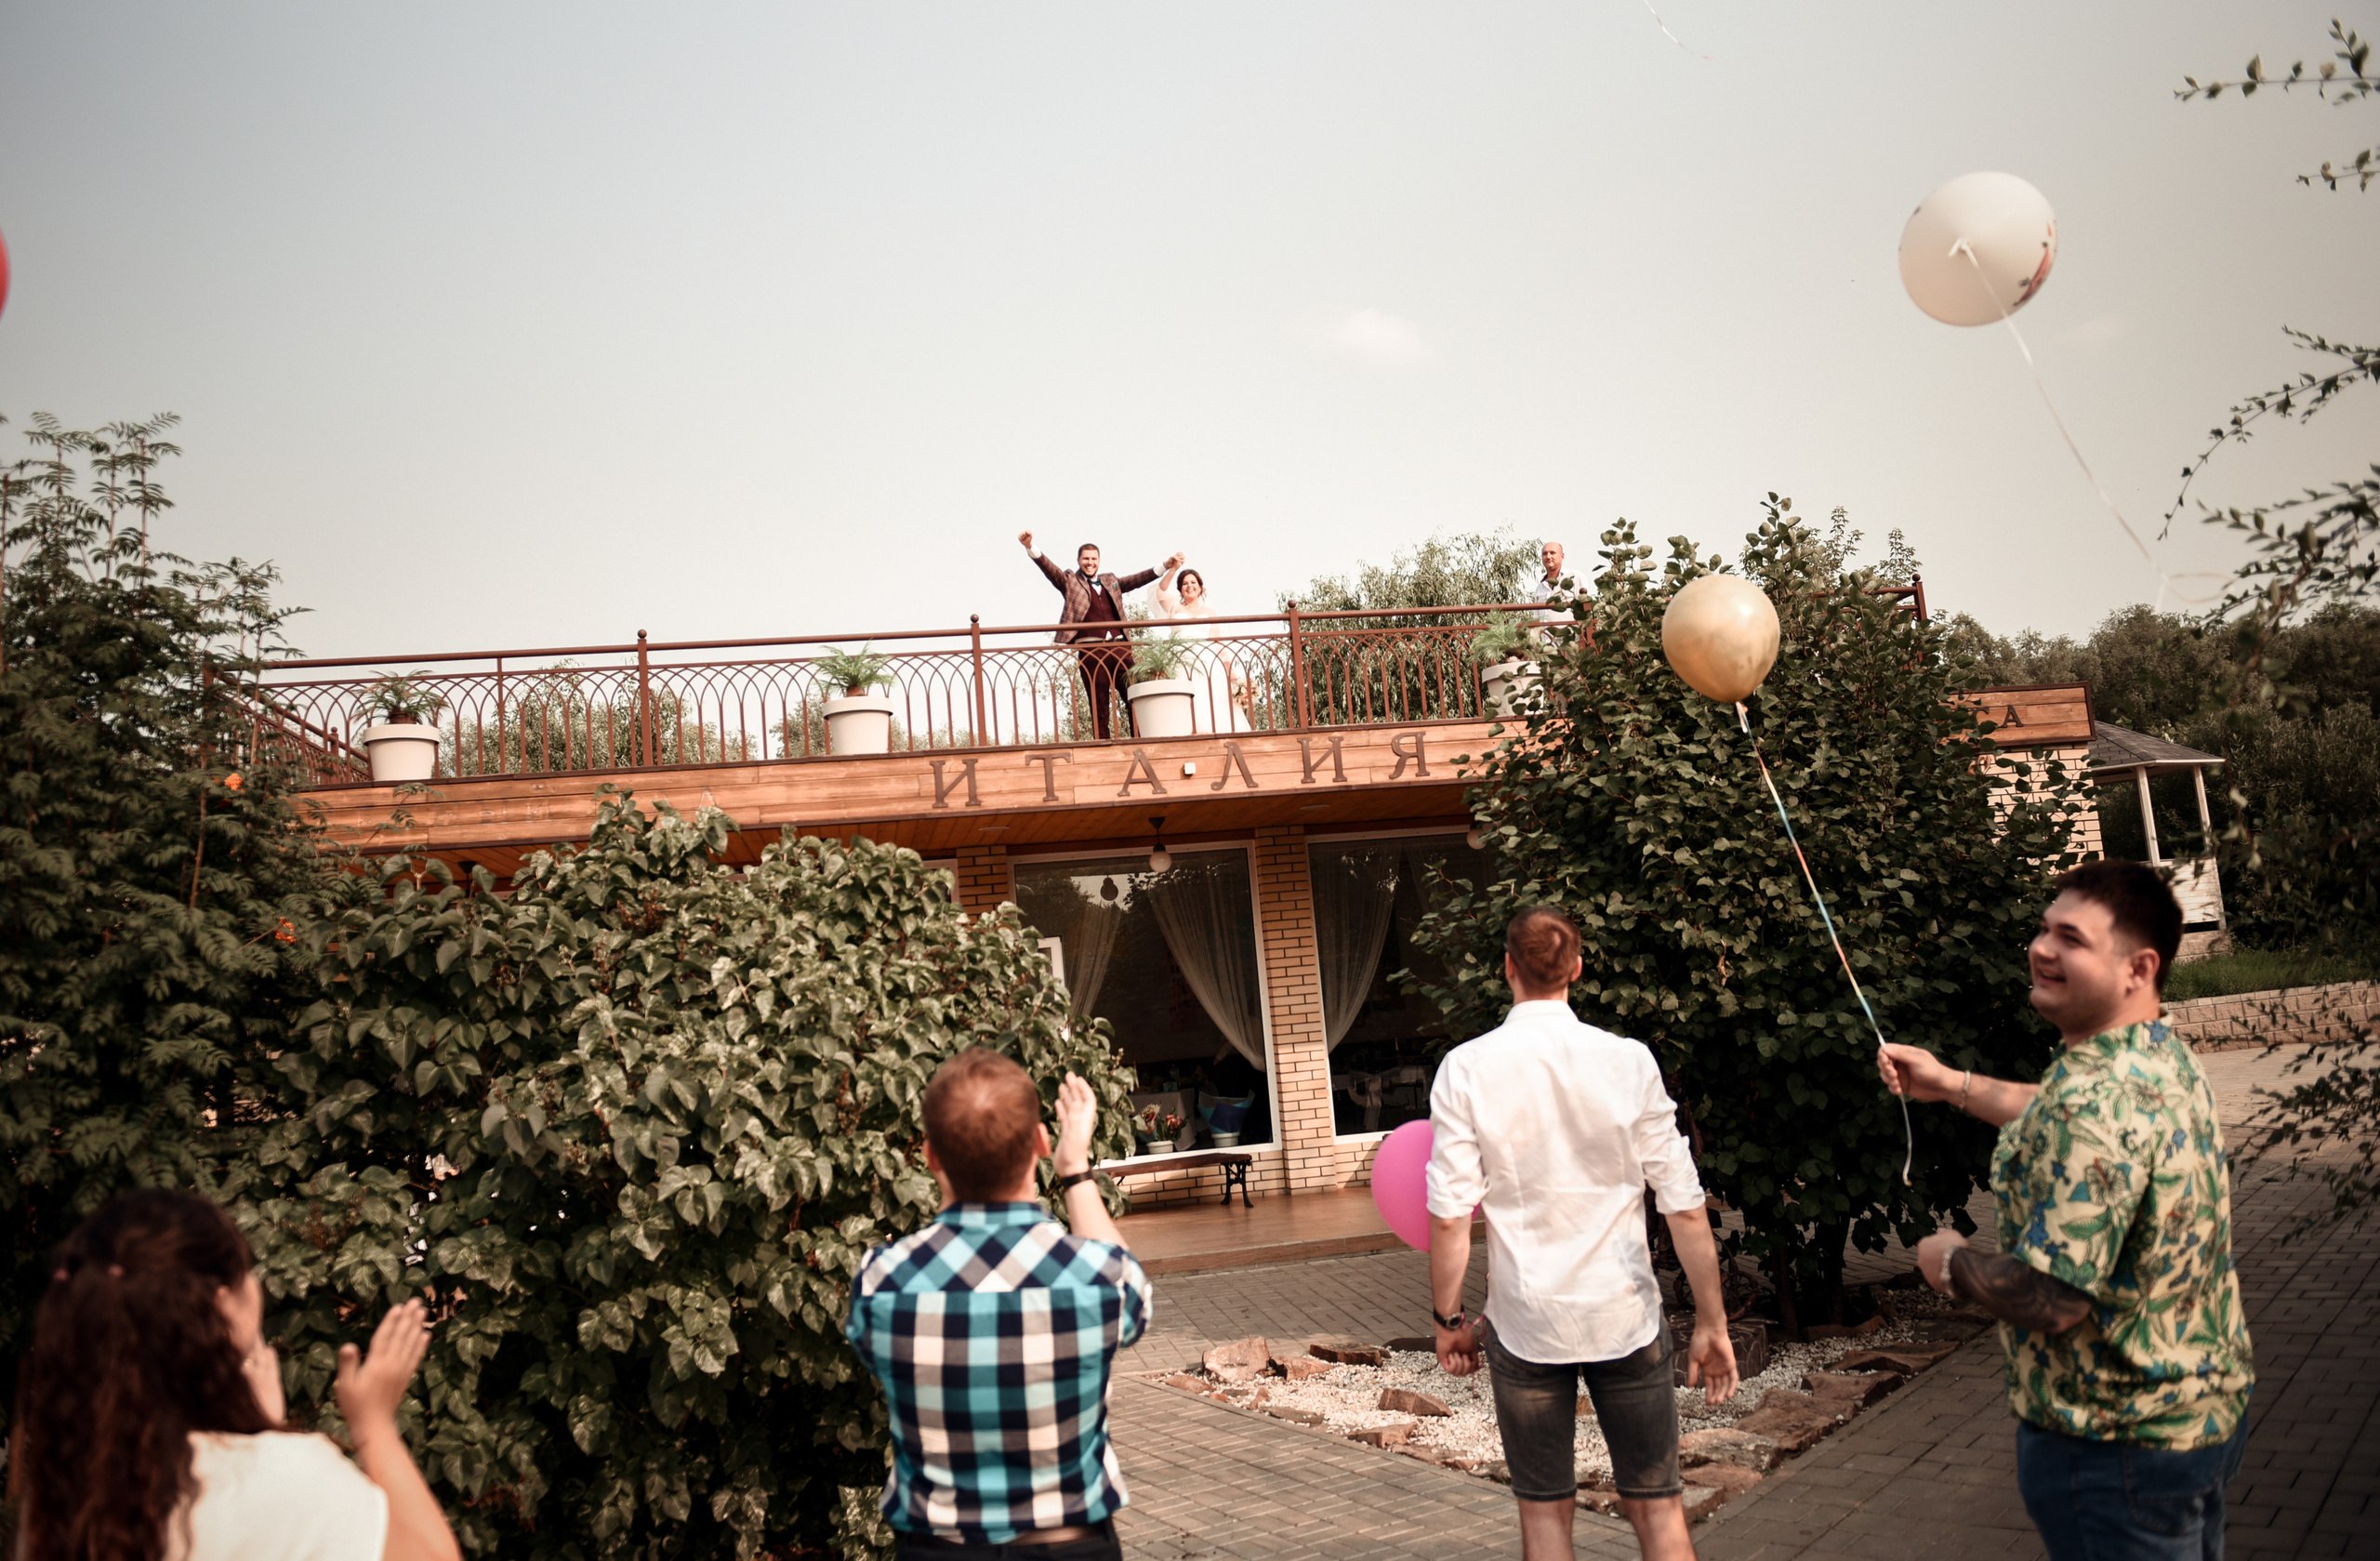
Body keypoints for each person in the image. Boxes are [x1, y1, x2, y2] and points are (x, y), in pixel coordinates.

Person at [1879, 860, 2254, 1561]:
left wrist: (1948, 1261)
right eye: (2045, 927)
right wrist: (1952, 1084)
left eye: (2072, 938)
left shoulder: (2094, 1099)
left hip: (2114, 1447)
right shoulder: (2155, 1055)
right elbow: (2066, 1116)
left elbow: (2053, 1298)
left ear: (2138, 967)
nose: (2042, 947)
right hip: (2196, 1418)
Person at [1426, 906, 1739, 1561]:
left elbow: (1452, 1214)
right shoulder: (1628, 1061)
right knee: (1658, 1511)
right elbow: (1683, 1205)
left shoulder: (1466, 1067)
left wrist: (1449, 1316)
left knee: (1545, 1520)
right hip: (1624, 1311)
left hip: (1527, 1320)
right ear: (1578, 968)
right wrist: (1712, 1321)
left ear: (1507, 967)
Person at [9, 1188, 461, 1561]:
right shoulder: (290, 1478)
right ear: (225, 1307)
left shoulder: (66, 1494)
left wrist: (260, 1432)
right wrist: (374, 1426)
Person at [846, 1052, 1150, 1561]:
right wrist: (1074, 1171)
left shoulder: (883, 1281)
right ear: (1040, 1143)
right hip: (1072, 1547)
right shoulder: (1100, 1278)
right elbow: (1125, 1277)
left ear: (930, 1156)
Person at [1019, 532, 1183, 740]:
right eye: (1086, 559)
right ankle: (1103, 746)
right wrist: (1031, 547)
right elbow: (1051, 571)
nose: (1090, 563)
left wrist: (1165, 565)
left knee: (1135, 694)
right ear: (1079, 560)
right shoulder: (1071, 581)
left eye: (1093, 559)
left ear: (1099, 561)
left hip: (1121, 648)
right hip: (1092, 650)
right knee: (1099, 703)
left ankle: (1140, 740)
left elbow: (1137, 580)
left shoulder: (1110, 580)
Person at [1154, 562, 1252, 733]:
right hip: (1181, 660)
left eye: (1193, 582)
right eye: (1184, 583)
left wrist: (1231, 672)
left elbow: (1218, 642)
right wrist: (1174, 568)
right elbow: (1161, 591)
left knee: (1210, 699)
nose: (1189, 586)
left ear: (1200, 587)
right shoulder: (1175, 608)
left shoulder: (1209, 612)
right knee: (1184, 699)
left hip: (1207, 660)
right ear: (1180, 589)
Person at [1521, 539, 1571, 622]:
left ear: (1562, 556)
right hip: (1545, 634)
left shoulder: (1574, 577)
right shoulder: (1540, 588)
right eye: (1545, 554)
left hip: (1569, 634)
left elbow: (1584, 608)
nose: (1548, 557)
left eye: (1552, 553)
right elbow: (1536, 619)